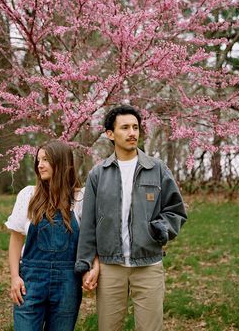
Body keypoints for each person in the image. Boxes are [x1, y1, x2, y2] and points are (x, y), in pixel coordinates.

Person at [75, 105, 188, 331]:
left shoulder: (157, 169)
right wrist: (87, 263)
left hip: (149, 264)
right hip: (110, 266)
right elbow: (88, 224)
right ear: (110, 134)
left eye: (135, 127)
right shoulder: (98, 174)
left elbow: (176, 209)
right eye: (125, 127)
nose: (132, 133)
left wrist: (160, 229)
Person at [5, 140, 99, 331]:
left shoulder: (81, 198)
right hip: (30, 283)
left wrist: (94, 268)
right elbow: (15, 241)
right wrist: (15, 277)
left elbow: (92, 241)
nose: (40, 165)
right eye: (38, 160)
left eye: (46, 159)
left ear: (62, 162)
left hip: (67, 284)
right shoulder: (28, 195)